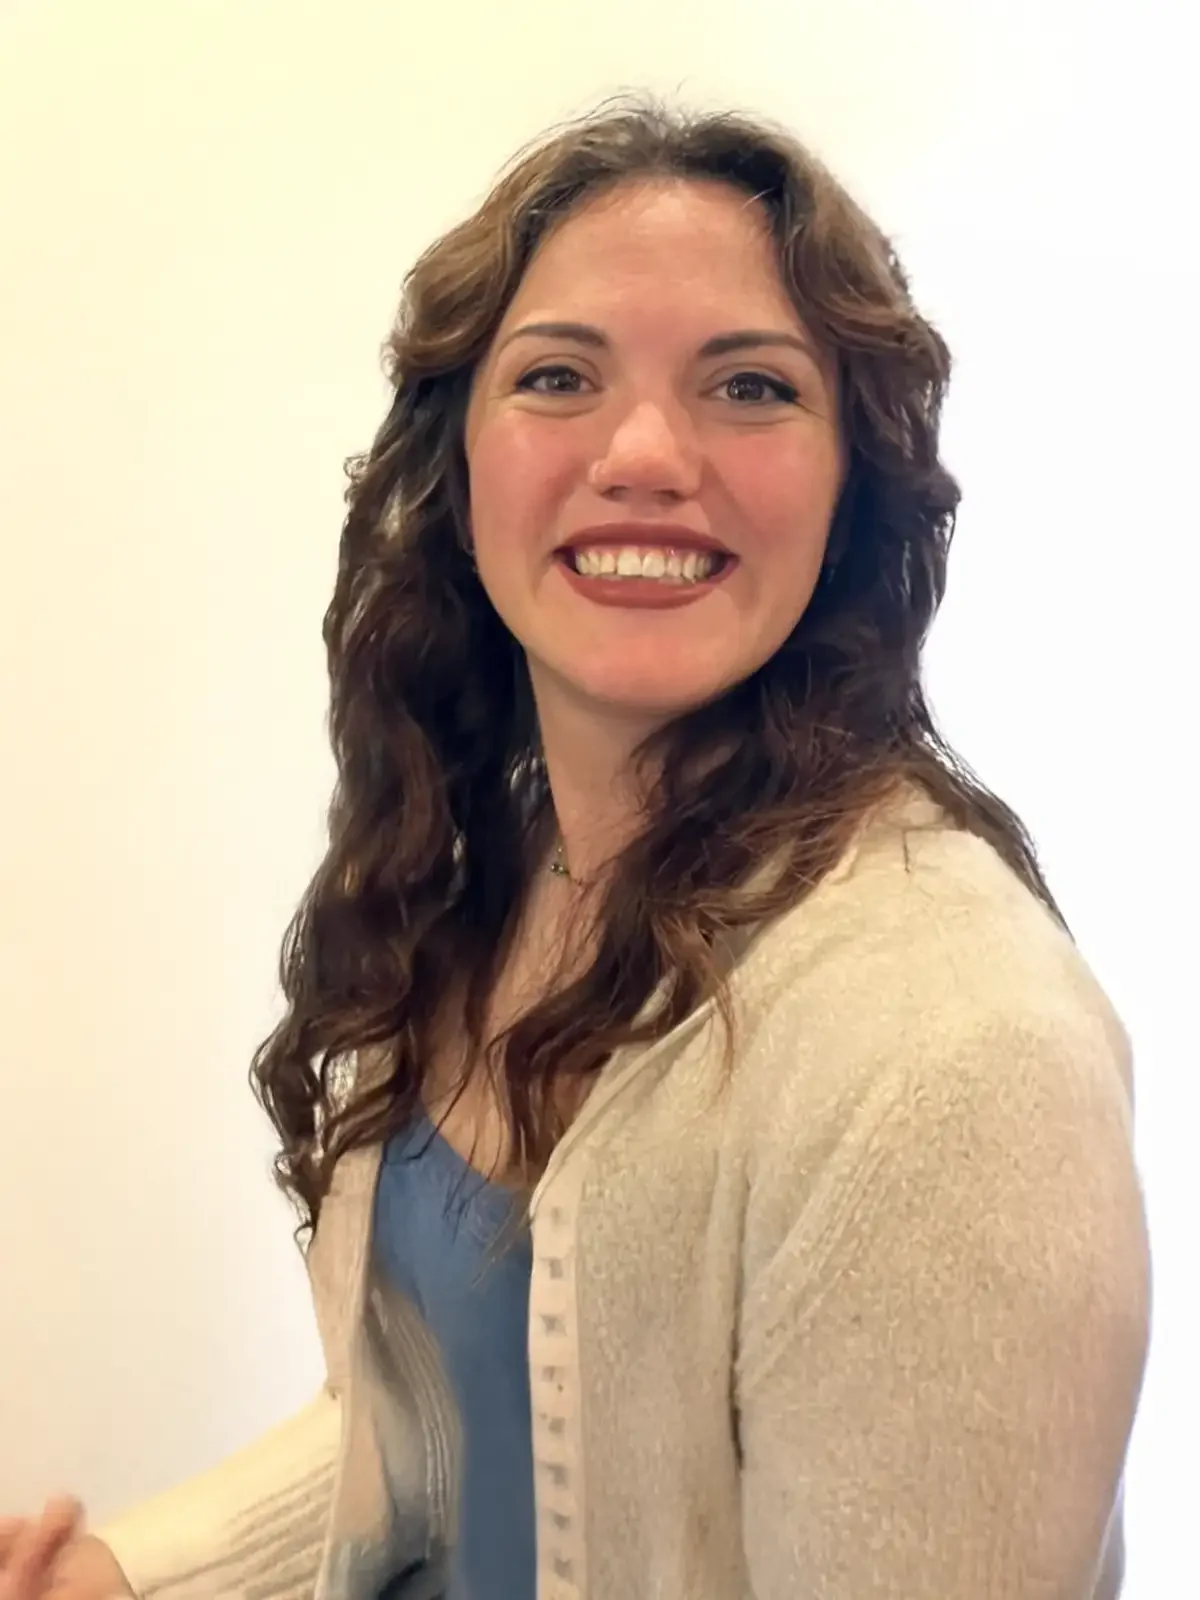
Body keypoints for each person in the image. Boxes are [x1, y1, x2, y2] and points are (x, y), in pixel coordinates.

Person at [0, 99, 1150, 1600]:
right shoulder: (488, 861)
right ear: (460, 466)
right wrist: (128, 1576)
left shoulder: (955, 1062)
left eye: (749, 387)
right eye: (559, 377)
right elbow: (428, 1422)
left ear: (853, 482)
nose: (648, 453)